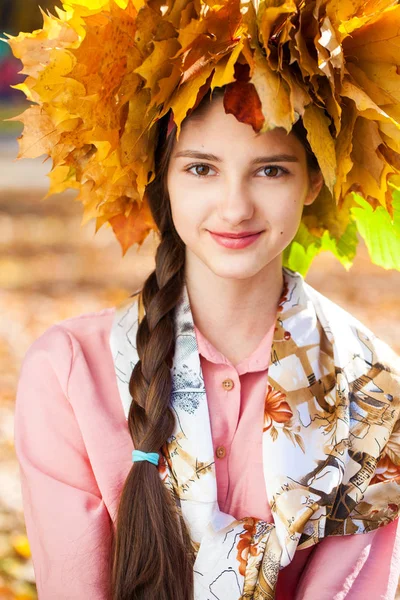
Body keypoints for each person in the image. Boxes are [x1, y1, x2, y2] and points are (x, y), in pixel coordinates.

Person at [9, 1, 400, 599]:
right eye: (201, 169)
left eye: (270, 171)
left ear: (314, 177)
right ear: (160, 175)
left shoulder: (376, 391)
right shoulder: (70, 373)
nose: (236, 206)